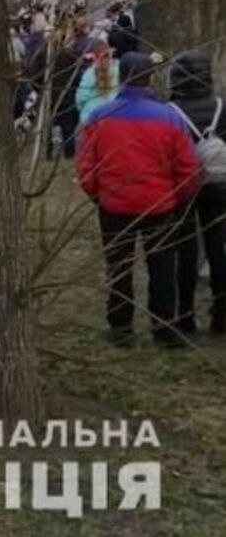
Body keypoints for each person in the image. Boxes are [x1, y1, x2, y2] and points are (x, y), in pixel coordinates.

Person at [77, 52, 202, 347]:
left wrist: (98, 193)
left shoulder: (100, 117)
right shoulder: (169, 117)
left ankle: (120, 328)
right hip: (160, 205)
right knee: (162, 268)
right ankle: (164, 329)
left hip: (114, 205)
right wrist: (177, 197)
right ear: (150, 78)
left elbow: (86, 165)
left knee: (119, 268)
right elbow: (187, 167)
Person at [167, 50, 226, 335]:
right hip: (219, 184)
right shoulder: (222, 107)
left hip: (183, 188)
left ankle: (185, 315)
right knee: (219, 250)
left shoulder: (170, 111)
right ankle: (222, 314)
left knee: (186, 252)